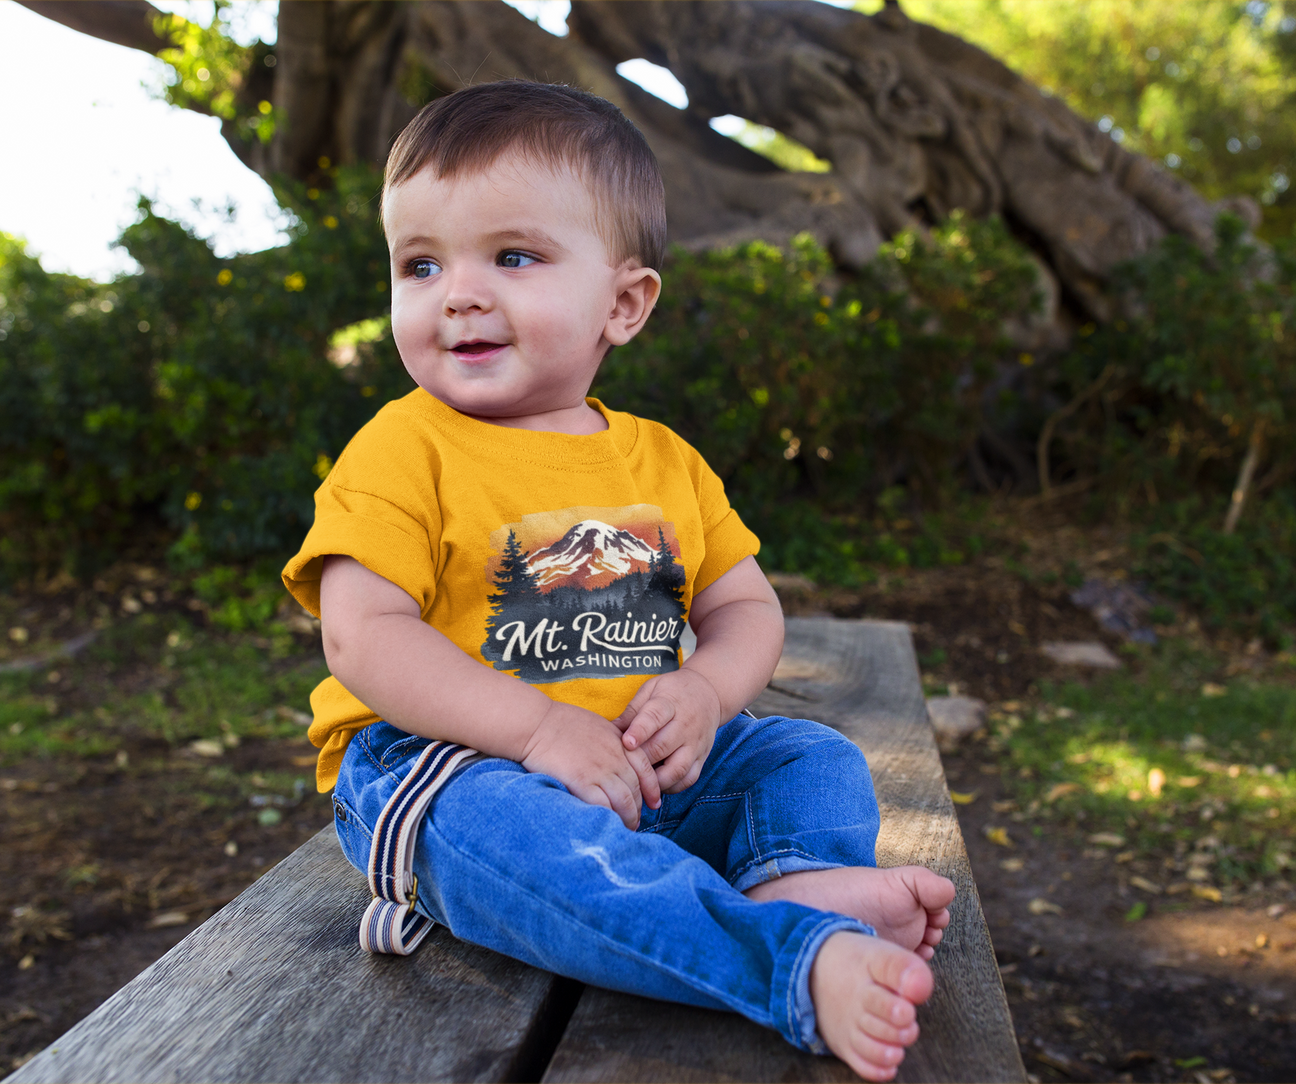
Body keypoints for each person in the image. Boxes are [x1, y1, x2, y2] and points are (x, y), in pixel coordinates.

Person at [282, 79, 954, 1082]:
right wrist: (536, 729)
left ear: (624, 302)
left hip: (642, 770)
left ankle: (794, 883)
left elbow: (743, 608)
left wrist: (704, 690)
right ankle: (783, 961)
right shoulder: (402, 445)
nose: (457, 291)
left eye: (512, 256)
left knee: (805, 757)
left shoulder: (662, 460)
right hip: (449, 773)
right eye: (419, 264)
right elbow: (362, 635)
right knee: (524, 833)